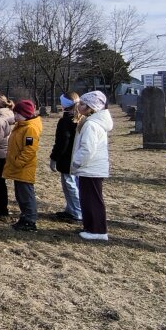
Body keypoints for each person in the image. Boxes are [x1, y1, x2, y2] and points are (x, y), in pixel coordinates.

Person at [70, 90, 113, 241]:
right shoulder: (91, 122)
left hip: (91, 168)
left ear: (92, 107)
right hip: (90, 167)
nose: (79, 106)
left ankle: (98, 230)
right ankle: (90, 227)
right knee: (87, 199)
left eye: (82, 104)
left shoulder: (91, 125)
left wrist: (76, 162)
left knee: (92, 200)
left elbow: (87, 149)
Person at [5, 100, 43, 232]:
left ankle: (30, 220)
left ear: (25, 114)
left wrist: (18, 162)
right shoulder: (22, 125)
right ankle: (25, 217)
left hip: (23, 168)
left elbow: (29, 150)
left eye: (17, 114)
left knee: (26, 195)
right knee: (20, 194)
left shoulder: (30, 129)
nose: (14, 116)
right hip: (19, 168)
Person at [48, 93, 82, 224]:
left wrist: (54, 158)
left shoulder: (66, 121)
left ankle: (77, 212)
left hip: (68, 159)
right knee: (73, 184)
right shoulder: (80, 118)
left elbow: (62, 142)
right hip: (77, 157)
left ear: (64, 105)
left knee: (70, 185)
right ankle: (70, 209)